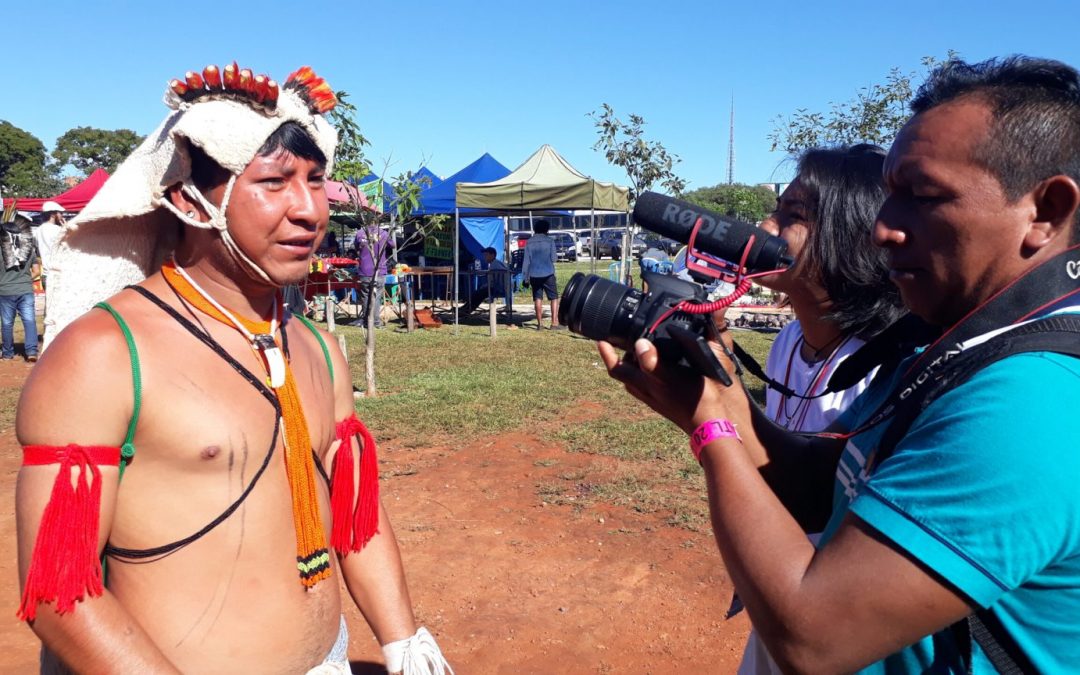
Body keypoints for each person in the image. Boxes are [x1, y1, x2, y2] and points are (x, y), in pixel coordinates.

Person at [599, 55, 1080, 673]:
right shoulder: (962, 348)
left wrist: (713, 432)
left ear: (1045, 211)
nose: (883, 229)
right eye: (888, 196)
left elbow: (813, 638)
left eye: (921, 196)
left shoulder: (1033, 401)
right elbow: (831, 490)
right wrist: (709, 397)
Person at [17, 63, 450, 674]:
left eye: (316, 180)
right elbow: (60, 595)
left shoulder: (319, 348)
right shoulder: (104, 355)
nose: (309, 209)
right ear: (187, 201)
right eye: (274, 182)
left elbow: (357, 510)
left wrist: (406, 642)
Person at [735, 144, 904, 674]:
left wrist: (713, 426)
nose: (766, 227)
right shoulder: (788, 341)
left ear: (852, 234)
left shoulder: (888, 369)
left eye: (794, 216)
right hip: (780, 587)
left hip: (837, 622)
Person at [1, 215, 40, 361]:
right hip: (25, 290)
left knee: (7, 323)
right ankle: (31, 352)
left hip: (5, 291)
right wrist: (25, 280)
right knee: (29, 321)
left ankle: (7, 353)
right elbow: (36, 271)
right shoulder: (28, 250)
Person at [521, 219, 563, 330]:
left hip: (534, 274)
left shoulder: (529, 242)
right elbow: (554, 259)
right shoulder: (550, 241)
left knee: (537, 298)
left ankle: (540, 324)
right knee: (554, 298)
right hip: (548, 273)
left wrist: (525, 278)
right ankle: (554, 323)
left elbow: (526, 262)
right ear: (546, 229)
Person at [353, 223, 394, 328]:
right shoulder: (384, 233)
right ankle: (375, 322)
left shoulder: (360, 233)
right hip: (379, 270)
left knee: (366, 296)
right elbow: (392, 245)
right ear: (377, 222)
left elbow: (356, 247)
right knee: (376, 296)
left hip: (364, 270)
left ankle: (367, 321)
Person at [459, 247, 508, 315]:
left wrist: (484, 286)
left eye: (486, 255)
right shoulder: (497, 263)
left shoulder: (495, 265)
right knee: (478, 293)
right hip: (497, 287)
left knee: (478, 294)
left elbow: (492, 282)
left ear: (492, 255)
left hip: (497, 288)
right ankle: (465, 309)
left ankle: (466, 310)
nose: (485, 257)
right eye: (484, 255)